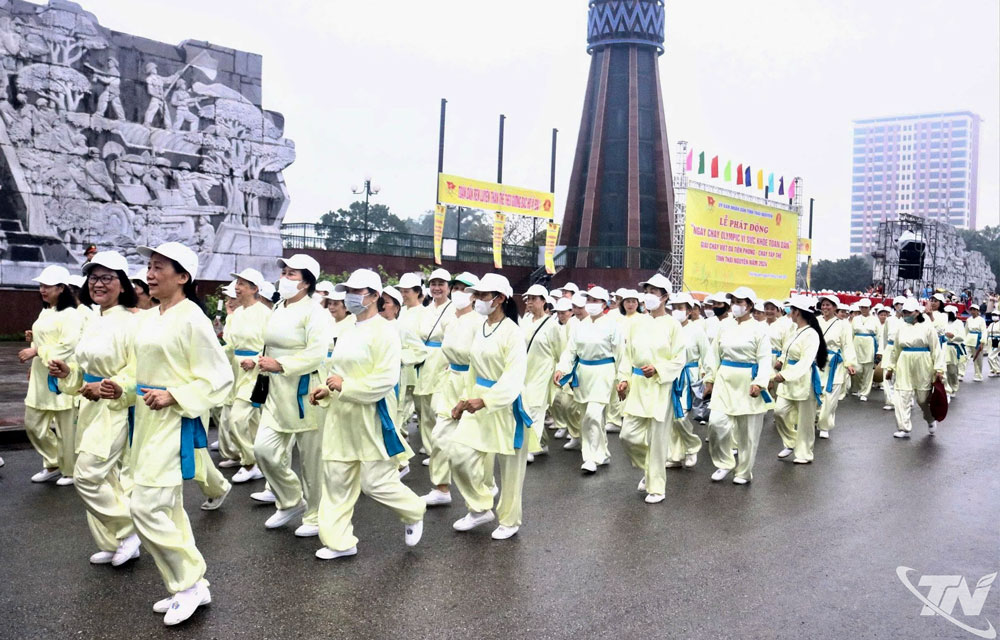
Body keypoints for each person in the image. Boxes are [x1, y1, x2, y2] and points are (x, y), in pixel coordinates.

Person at [112, 241, 234, 625]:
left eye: (160, 266)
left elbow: (219, 377)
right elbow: (137, 370)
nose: (150, 272)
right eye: (149, 265)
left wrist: (175, 396)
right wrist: (121, 387)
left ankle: (189, 583)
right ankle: (188, 585)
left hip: (174, 423)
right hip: (145, 423)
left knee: (145, 508)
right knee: (166, 510)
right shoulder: (150, 317)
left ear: (183, 277)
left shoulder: (193, 318)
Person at [309, 269, 426, 559]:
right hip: (341, 416)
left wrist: (344, 386)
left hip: (372, 416)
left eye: (357, 291)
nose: (350, 296)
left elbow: (386, 379)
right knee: (336, 478)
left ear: (375, 296)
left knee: (375, 482)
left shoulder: (386, 331)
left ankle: (413, 511)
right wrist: (326, 389)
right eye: (348, 289)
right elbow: (337, 370)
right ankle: (340, 542)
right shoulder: (347, 328)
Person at [47, 251, 140, 566]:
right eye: (94, 277)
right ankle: (113, 541)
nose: (98, 284)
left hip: (114, 409)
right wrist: (67, 373)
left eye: (107, 277)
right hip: (88, 409)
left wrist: (111, 387)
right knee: (105, 479)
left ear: (122, 283)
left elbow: (138, 369)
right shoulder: (92, 318)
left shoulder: (133, 321)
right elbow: (82, 367)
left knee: (87, 475)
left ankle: (128, 530)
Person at [450, 274, 535, 540]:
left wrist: (486, 400)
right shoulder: (481, 328)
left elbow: (513, 377)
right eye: (476, 295)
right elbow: (474, 368)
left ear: (499, 299)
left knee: (510, 470)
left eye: (482, 296)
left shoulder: (513, 333)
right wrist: (465, 399)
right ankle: (479, 508)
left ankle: (509, 521)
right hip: (478, 403)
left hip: (507, 407)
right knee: (459, 455)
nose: (476, 300)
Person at [252, 254, 330, 537]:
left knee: (311, 460)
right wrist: (260, 362)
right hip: (275, 391)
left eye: (292, 274)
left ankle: (314, 515)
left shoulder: (316, 313)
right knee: (263, 449)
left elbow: (317, 353)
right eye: (284, 272)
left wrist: (282, 365)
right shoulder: (278, 306)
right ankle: (289, 499)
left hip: (306, 393)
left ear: (307, 282)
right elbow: (270, 345)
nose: (284, 277)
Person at [617, 276, 685, 504]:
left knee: (657, 440)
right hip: (638, 387)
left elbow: (679, 359)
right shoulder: (637, 323)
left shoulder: (673, 325)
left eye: (654, 291)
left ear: (665, 296)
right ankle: (649, 470)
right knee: (628, 436)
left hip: (660, 388)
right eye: (647, 291)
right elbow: (627, 355)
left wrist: (657, 368)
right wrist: (624, 378)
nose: (648, 295)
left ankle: (656, 487)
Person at [419, 278, 481, 506]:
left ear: (474, 295)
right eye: (455, 288)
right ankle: (441, 487)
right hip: (450, 381)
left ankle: (484, 486)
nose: (458, 293)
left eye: (464, 289)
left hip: (470, 384)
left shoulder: (479, 322)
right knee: (440, 436)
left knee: (472, 443)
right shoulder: (452, 321)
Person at [20, 265, 83, 484]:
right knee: (33, 423)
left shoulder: (71, 315)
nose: (42, 290)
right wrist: (34, 347)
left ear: (61, 288)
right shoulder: (46, 311)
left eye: (47, 286)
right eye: (41, 286)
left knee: (66, 428)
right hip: (40, 375)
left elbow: (69, 346)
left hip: (61, 373)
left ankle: (70, 470)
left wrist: (37, 351)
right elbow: (42, 338)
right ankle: (54, 461)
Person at [702, 287, 772, 485]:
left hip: (748, 380)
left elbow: (765, 358)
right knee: (717, 423)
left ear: (749, 305)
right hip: (725, 378)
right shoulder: (725, 325)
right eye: (733, 301)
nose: (735, 306)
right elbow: (714, 353)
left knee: (748, 433)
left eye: (740, 302)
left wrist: (760, 382)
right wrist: (710, 378)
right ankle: (724, 462)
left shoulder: (760, 329)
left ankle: (744, 472)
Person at [554, 287, 623, 473]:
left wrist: (622, 378)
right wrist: (561, 368)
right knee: (588, 417)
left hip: (604, 373)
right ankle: (602, 452)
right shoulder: (579, 325)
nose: (591, 303)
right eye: (589, 299)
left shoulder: (613, 325)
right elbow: (570, 351)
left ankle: (592, 458)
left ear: (604, 304)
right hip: (583, 374)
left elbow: (621, 354)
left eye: (595, 300)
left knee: (593, 414)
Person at [221, 268, 270, 484]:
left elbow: (272, 346)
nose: (237, 288)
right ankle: (259, 461)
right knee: (252, 422)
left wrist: (257, 360)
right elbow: (230, 344)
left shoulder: (266, 314)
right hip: (236, 369)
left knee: (237, 418)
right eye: (237, 283)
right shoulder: (237, 314)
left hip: (255, 372)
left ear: (254, 289)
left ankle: (249, 462)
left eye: (242, 283)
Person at [772, 295, 827, 464]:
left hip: (803, 381)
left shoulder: (811, 334)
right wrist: (781, 360)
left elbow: (806, 361)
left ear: (798, 312)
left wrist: (785, 375)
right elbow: (786, 350)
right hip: (788, 380)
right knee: (779, 412)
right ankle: (790, 442)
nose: (789, 312)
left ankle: (804, 453)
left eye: (791, 309)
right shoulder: (793, 330)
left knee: (805, 421)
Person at [412, 269, 456, 468]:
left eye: (441, 284)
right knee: (424, 409)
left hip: (442, 360)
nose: (436, 288)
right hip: (423, 360)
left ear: (448, 287)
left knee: (438, 408)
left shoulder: (453, 309)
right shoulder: (426, 309)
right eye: (433, 284)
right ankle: (431, 450)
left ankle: (443, 451)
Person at [884, 299, 945, 438]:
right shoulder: (901, 328)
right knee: (901, 395)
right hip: (904, 362)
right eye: (904, 312)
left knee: (923, 399)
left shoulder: (928, 328)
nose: (906, 315)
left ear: (917, 312)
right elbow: (896, 350)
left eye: (909, 312)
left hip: (923, 363)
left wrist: (939, 369)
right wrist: (890, 368)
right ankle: (904, 428)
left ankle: (930, 419)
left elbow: (936, 349)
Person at [664, 290, 708, 468]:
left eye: (680, 308)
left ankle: (691, 446)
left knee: (681, 417)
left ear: (689, 311)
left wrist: (707, 376)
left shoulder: (697, 330)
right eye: (673, 307)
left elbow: (707, 355)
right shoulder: (667, 328)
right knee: (671, 418)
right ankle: (675, 455)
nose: (676, 311)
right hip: (669, 376)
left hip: (688, 378)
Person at [520, 284, 561, 462]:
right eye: (528, 298)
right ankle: (542, 442)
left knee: (535, 408)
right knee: (528, 406)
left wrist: (559, 370)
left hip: (543, 371)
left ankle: (529, 448)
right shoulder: (525, 320)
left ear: (544, 301)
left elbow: (560, 350)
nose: (530, 302)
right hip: (525, 370)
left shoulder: (552, 325)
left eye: (534, 299)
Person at [815, 294, 857, 439]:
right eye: (823, 305)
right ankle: (817, 417)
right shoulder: (815, 321)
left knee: (830, 396)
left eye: (828, 305)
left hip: (834, 364)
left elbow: (847, 345)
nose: (825, 307)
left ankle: (824, 425)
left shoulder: (843, 324)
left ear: (835, 307)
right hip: (816, 362)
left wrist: (849, 363)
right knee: (816, 393)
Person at [395, 273, 426, 444]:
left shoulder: (424, 312)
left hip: (418, 363)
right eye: (402, 291)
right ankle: (401, 433)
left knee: (421, 407)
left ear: (417, 292)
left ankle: (427, 441)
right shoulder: (402, 311)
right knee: (403, 403)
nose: (404, 295)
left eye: (407, 291)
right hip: (402, 365)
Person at [549, 298, 581, 444]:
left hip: (574, 368)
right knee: (559, 401)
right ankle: (567, 427)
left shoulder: (574, 324)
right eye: (559, 313)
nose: (561, 316)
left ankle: (575, 431)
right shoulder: (557, 326)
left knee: (571, 404)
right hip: (561, 367)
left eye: (564, 313)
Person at [850, 299, 880, 402]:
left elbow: (879, 335)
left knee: (868, 371)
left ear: (869, 308)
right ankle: (859, 387)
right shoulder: (855, 319)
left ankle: (864, 392)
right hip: (857, 344)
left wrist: (879, 350)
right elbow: (851, 334)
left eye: (865, 308)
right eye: (861, 307)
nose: (863, 309)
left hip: (869, 345)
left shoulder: (875, 320)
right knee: (857, 369)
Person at [942, 305, 966, 397]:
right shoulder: (943, 322)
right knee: (944, 370)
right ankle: (946, 389)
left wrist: (952, 336)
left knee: (952, 370)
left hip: (952, 348)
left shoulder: (958, 323)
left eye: (947, 313)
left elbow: (961, 336)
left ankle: (954, 387)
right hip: (943, 347)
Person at [964, 303, 986, 382]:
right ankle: (961, 373)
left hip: (977, 339)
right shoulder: (968, 320)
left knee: (978, 359)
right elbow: (966, 330)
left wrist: (982, 342)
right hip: (969, 339)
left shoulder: (981, 320)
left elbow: (984, 331)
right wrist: (963, 340)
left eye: (974, 310)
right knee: (965, 356)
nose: (972, 311)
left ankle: (978, 374)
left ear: (977, 311)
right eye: (971, 310)